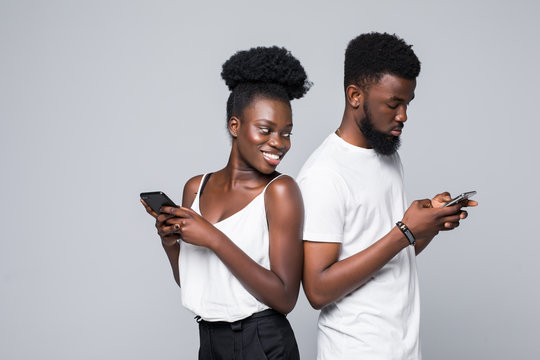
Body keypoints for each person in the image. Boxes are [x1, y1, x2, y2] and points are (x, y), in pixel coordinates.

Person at [297, 32, 477, 359]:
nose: (403, 116)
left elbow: (390, 255)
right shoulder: (324, 175)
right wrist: (406, 230)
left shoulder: (387, 155)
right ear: (355, 95)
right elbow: (317, 290)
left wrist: (428, 225)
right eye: (393, 104)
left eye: (407, 103)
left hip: (403, 348)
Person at [141, 46, 311, 359]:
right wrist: (171, 244)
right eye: (265, 129)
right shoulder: (196, 188)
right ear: (235, 126)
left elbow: (286, 297)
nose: (279, 143)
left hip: (262, 341)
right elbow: (195, 282)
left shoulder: (281, 191)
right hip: (210, 341)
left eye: (286, 133)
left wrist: (214, 239)